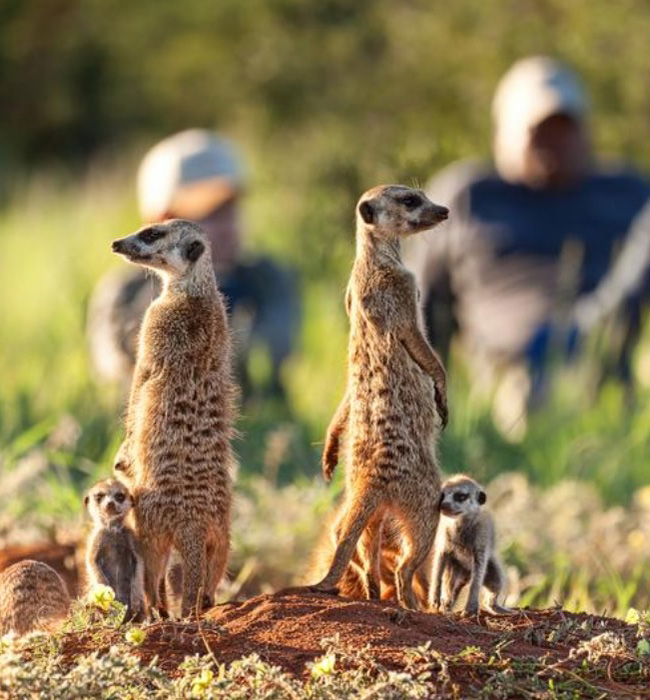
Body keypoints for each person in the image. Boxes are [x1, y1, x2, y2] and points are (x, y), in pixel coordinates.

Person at [403, 56, 650, 436]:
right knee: (537, 395)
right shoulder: (469, 196)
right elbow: (421, 305)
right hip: (514, 380)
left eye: (565, 129)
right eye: (539, 131)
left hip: (603, 367)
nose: (555, 144)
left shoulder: (628, 194)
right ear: (505, 133)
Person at [87, 129, 300, 400]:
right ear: (161, 221)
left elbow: (274, 351)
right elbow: (114, 366)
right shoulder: (126, 289)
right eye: (206, 215)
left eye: (230, 210)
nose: (227, 226)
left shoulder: (266, 278)